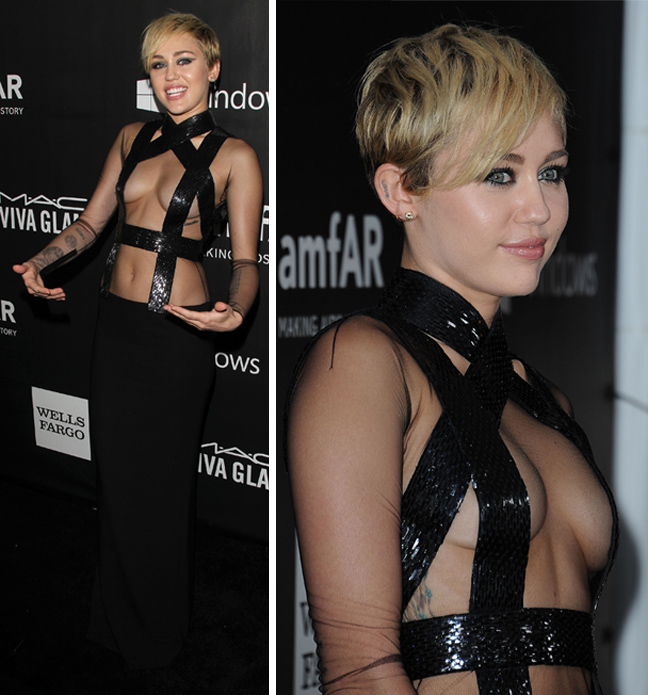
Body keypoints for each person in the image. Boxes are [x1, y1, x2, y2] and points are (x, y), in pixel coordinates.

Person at [286, 24, 617, 695]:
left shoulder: (543, 398)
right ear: (401, 191)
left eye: (551, 172)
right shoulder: (365, 363)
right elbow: (359, 669)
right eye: (500, 174)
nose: (540, 208)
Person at [13, 12, 263, 670]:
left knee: (162, 486)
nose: (171, 75)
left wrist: (238, 311)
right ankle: (115, 619)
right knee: (119, 481)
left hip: (176, 337)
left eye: (185, 60)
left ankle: (158, 635)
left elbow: (246, 261)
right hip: (118, 331)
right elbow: (90, 224)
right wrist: (42, 260)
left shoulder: (236, 156)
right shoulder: (131, 137)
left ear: (213, 69)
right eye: (158, 64)